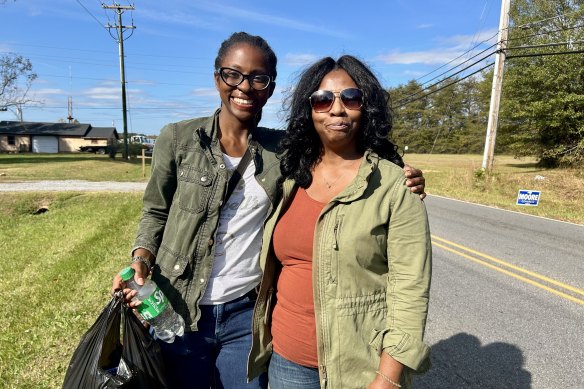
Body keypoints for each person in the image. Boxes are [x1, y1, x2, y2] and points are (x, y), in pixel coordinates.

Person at [112, 33, 426, 389]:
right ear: (218, 78)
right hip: (179, 308)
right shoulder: (178, 139)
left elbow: (342, 145)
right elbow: (155, 211)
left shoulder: (283, 152)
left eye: (258, 78)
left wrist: (402, 173)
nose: (244, 86)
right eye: (233, 74)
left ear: (271, 88)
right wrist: (141, 256)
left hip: (247, 316)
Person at [248, 55, 432, 389]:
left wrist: (388, 377)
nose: (337, 109)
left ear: (367, 107)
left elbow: (410, 290)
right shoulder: (290, 175)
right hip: (286, 359)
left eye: (351, 97)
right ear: (309, 110)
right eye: (322, 100)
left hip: (359, 366)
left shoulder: (394, 185)